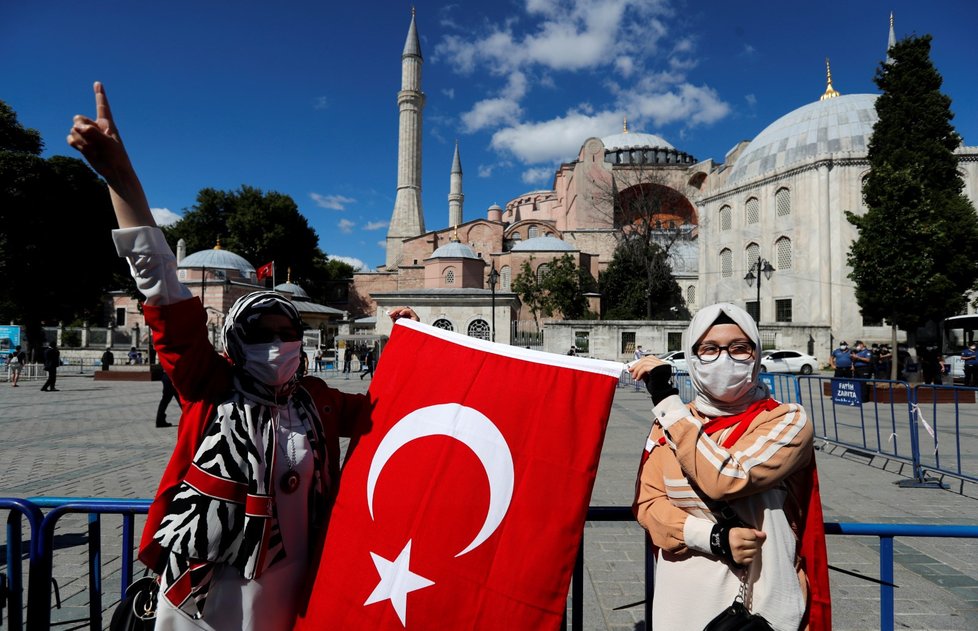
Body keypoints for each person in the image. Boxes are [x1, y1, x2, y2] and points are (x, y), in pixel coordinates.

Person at [69, 81, 419, 629]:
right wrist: (119, 174)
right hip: (207, 586)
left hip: (296, 580)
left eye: (288, 330)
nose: (278, 343)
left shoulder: (316, 403)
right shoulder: (209, 385)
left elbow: (391, 409)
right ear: (234, 341)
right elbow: (160, 282)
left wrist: (412, 347)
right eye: (262, 332)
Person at [629, 303, 830, 631]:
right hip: (681, 604)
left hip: (762, 606)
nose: (724, 358)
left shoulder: (786, 420)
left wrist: (667, 401)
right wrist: (712, 536)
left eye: (739, 348)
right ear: (692, 357)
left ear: (756, 355)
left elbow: (727, 478)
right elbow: (648, 507)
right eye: (709, 349)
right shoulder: (669, 424)